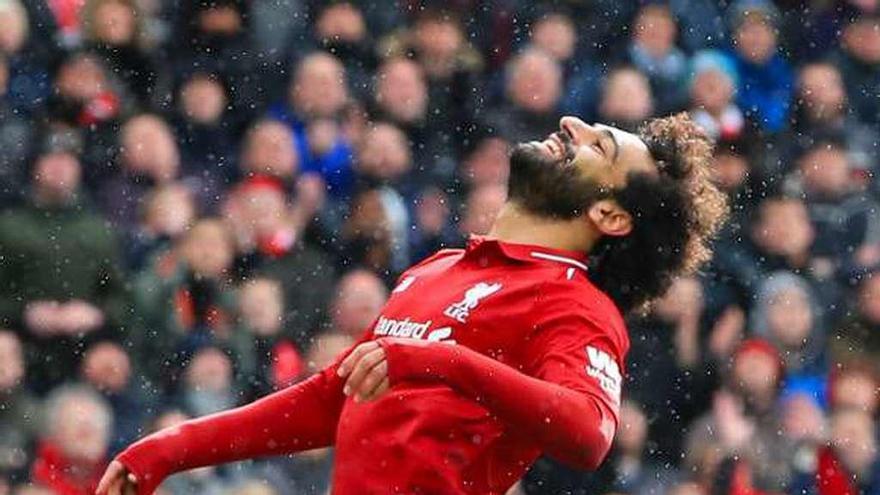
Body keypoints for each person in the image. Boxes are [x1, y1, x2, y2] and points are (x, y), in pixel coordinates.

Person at [96, 114, 727, 495]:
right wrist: (168, 449)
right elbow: (331, 398)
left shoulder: (575, 306)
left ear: (608, 215)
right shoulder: (439, 267)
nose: (573, 126)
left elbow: (589, 432)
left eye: (600, 147)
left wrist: (440, 361)